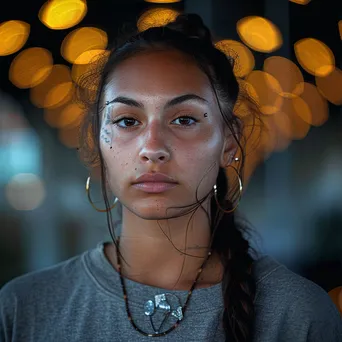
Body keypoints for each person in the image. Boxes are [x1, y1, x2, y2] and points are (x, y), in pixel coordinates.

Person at [0, 13, 341, 342]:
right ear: (97, 142)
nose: (152, 148)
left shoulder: (297, 314)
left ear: (229, 142)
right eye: (127, 121)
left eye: (185, 120)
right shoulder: (23, 308)